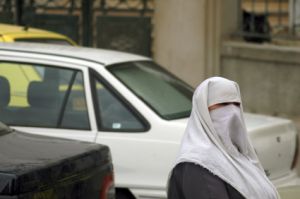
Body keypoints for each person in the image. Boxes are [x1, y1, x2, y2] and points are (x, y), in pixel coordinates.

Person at [167, 77, 280, 199]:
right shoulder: (199, 164)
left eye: (236, 104)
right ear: (204, 111)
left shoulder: (240, 157)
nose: (233, 112)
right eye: (223, 104)